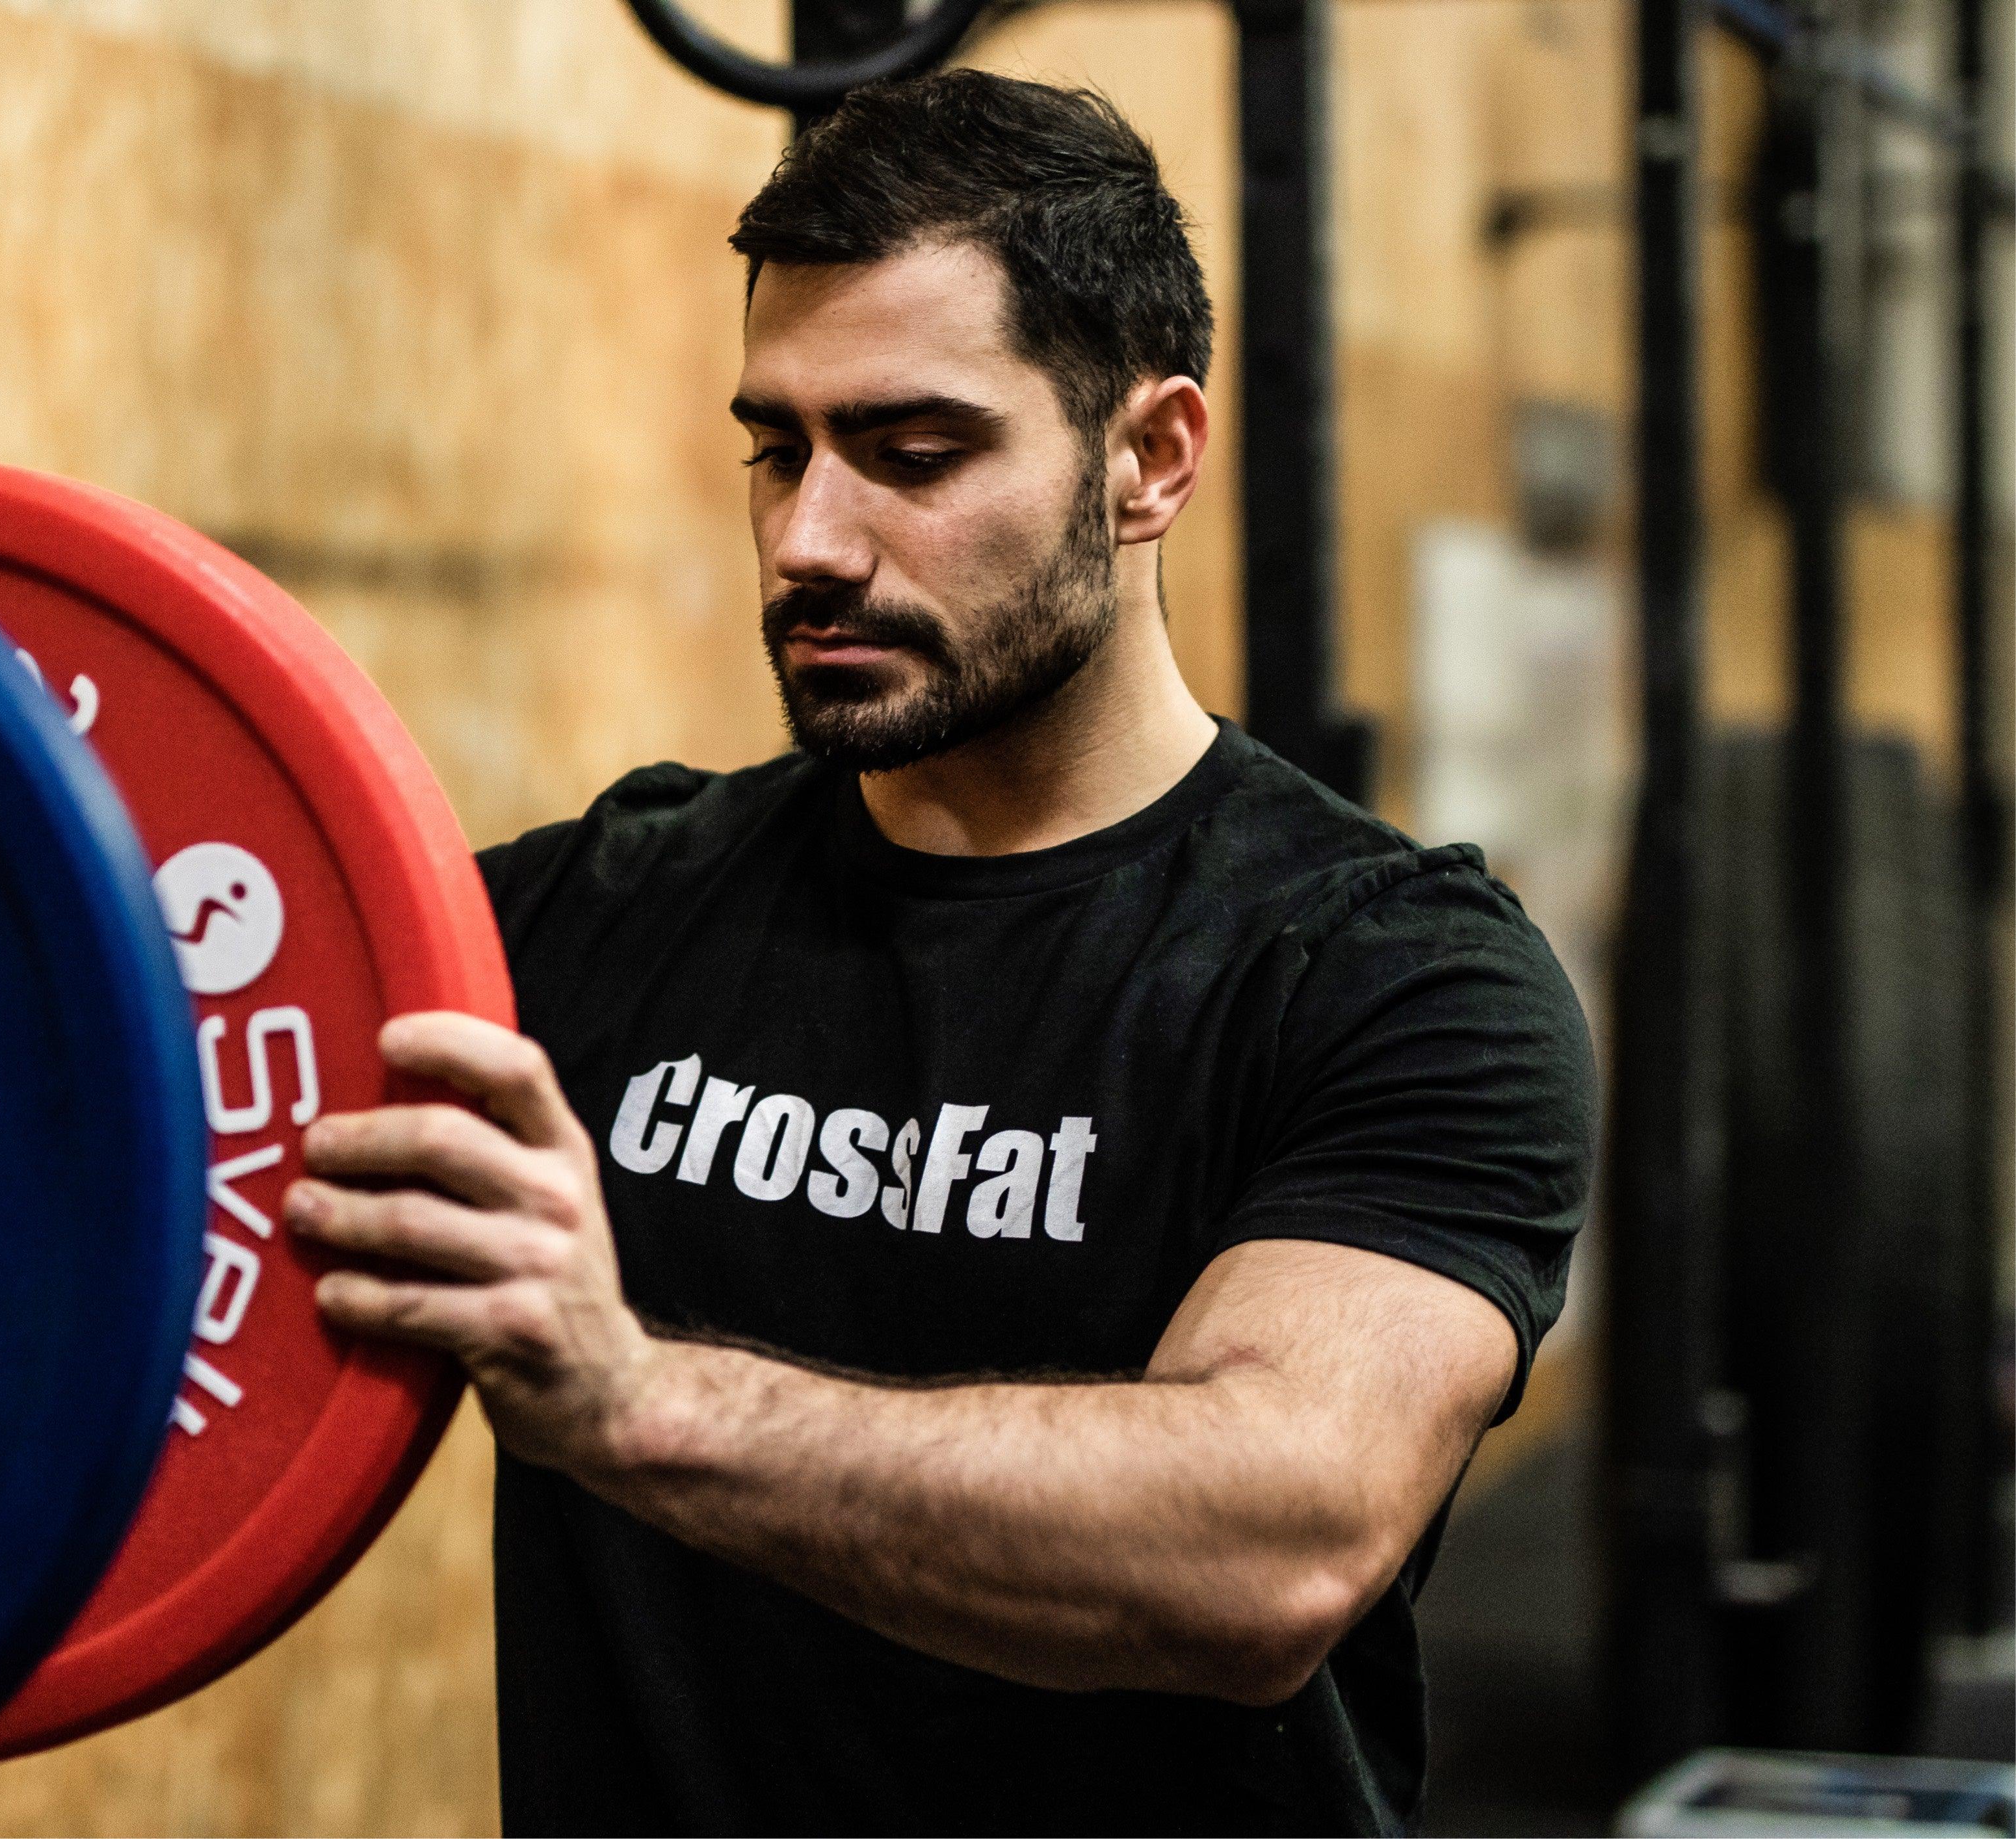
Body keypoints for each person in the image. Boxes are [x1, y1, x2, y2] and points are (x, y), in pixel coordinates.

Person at [280, 68, 1595, 1837]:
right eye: (777, 449)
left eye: (914, 456)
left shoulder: (1389, 981)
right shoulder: (600, 909)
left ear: (1148, 459)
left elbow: (1273, 1543)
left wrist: (633, 1401)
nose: (808, 542)